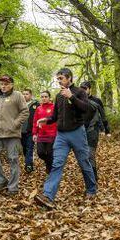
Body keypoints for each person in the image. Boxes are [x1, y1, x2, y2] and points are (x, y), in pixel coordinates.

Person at [34, 68, 96, 210]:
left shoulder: (79, 92)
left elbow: (87, 109)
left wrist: (71, 97)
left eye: (61, 78)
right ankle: (48, 196)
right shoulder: (58, 96)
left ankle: (91, 189)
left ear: (69, 78)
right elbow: (55, 116)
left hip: (77, 133)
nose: (59, 81)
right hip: (61, 136)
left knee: (84, 162)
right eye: (58, 79)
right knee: (57, 163)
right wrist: (46, 120)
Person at [0, 75, 29, 196]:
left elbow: (25, 111)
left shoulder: (18, 96)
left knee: (13, 159)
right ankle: (1, 180)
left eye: (6, 84)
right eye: (1, 84)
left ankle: (13, 187)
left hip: (12, 134)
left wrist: (15, 124)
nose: (3, 86)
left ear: (11, 85)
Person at [80, 81, 111, 184]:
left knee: (90, 154)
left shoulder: (97, 101)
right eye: (82, 89)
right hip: (80, 132)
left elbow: (103, 116)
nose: (83, 91)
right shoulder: (78, 100)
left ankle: (94, 178)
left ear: (90, 89)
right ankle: (88, 176)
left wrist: (107, 130)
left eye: (85, 88)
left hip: (93, 131)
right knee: (83, 156)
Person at [32, 91, 57, 174]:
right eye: (42, 97)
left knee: (50, 153)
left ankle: (50, 169)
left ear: (49, 98)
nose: (44, 98)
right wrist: (34, 133)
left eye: (46, 96)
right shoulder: (38, 108)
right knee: (40, 153)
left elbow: (56, 119)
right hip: (41, 135)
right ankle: (49, 162)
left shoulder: (54, 107)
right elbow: (35, 121)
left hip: (52, 134)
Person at [21, 89, 39, 173]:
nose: (24, 95)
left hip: (31, 131)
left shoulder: (36, 105)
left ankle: (28, 165)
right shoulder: (19, 104)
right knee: (24, 148)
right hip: (21, 131)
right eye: (23, 94)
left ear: (31, 95)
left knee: (29, 147)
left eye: (26, 94)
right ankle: (29, 161)